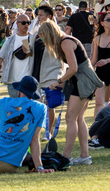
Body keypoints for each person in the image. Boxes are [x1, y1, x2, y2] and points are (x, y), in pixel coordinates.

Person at [43, 19, 103, 165]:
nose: (43, 40)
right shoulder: (64, 41)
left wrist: (58, 81)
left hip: (84, 81)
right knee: (78, 118)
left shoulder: (65, 42)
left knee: (70, 117)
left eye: (44, 37)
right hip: (82, 80)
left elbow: (74, 68)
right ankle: (84, 156)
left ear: (50, 34)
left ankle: (66, 156)